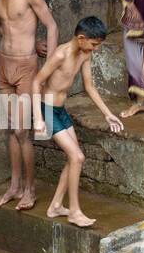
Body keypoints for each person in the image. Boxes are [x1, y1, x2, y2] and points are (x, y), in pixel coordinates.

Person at [32, 16, 124, 227]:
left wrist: (107, 113)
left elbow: (89, 87)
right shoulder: (60, 54)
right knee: (77, 156)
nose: (95, 49)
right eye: (93, 44)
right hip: (46, 110)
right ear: (81, 38)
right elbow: (36, 82)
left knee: (74, 158)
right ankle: (74, 211)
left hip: (61, 110)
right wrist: (37, 118)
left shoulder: (85, 54)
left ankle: (56, 206)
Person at [0, 0, 58, 211]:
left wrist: (49, 64)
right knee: (11, 128)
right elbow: (1, 26)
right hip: (3, 63)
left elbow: (51, 25)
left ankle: (30, 189)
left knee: (22, 130)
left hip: (27, 66)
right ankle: (14, 186)